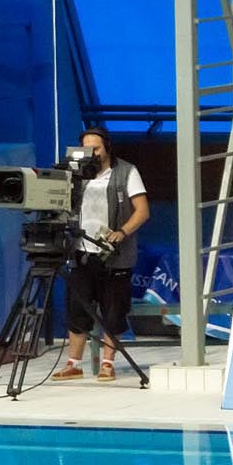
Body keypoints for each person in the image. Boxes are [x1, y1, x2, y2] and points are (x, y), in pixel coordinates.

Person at [55, 127, 150, 383]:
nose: (92, 154)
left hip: (113, 254)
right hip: (81, 251)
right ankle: (73, 364)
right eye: (87, 149)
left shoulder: (126, 172)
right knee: (78, 310)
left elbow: (142, 210)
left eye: (96, 148)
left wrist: (123, 231)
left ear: (107, 147)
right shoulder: (75, 174)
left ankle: (108, 364)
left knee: (113, 312)